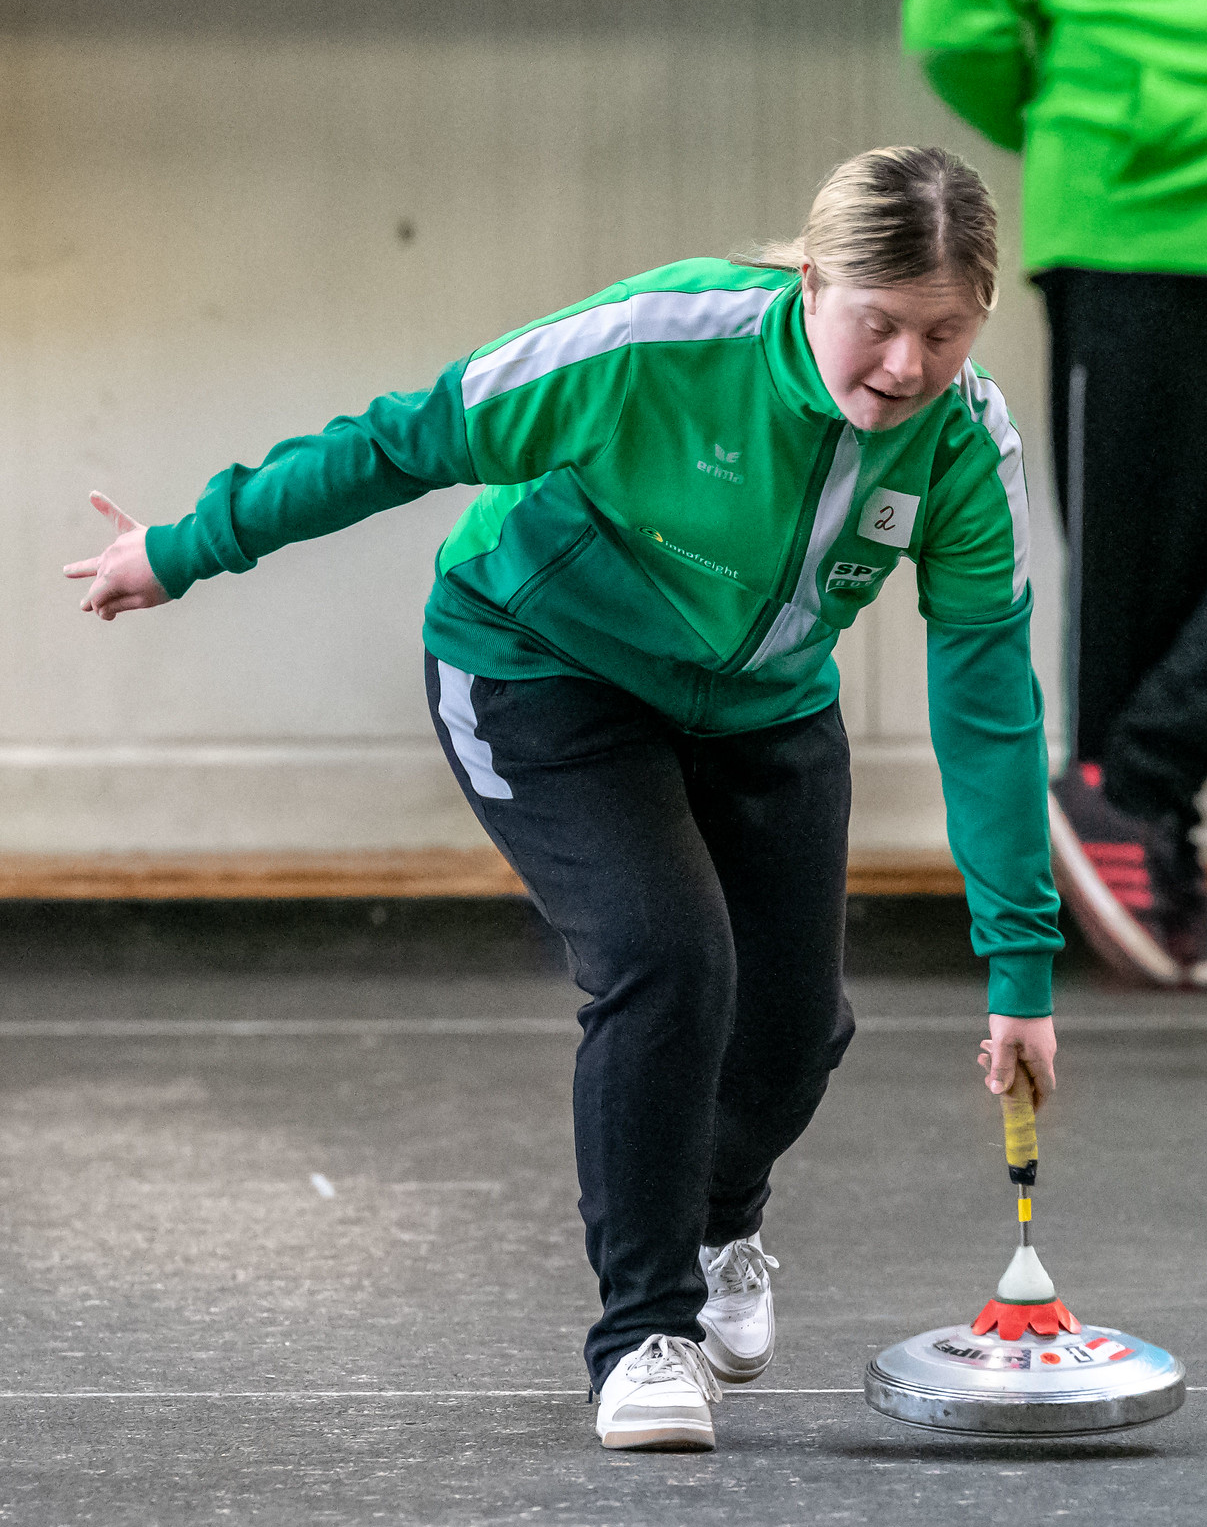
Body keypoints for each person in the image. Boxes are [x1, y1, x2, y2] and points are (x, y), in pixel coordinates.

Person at [65, 145, 1063, 1451]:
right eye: (877, 324)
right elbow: (404, 440)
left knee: (794, 1033)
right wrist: (187, 548)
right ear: (812, 281)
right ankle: (646, 1335)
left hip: (763, 707)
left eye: (943, 333)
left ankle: (719, 1220)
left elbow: (984, 697)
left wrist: (1021, 967)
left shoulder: (963, 444)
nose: (903, 369)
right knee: (663, 961)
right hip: (542, 670)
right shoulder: (652, 343)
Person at [903, 0, 1207, 990]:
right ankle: (1147, 854)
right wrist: (1113, 127)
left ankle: (1133, 788)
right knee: (1142, 582)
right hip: (1147, 230)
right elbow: (957, 24)